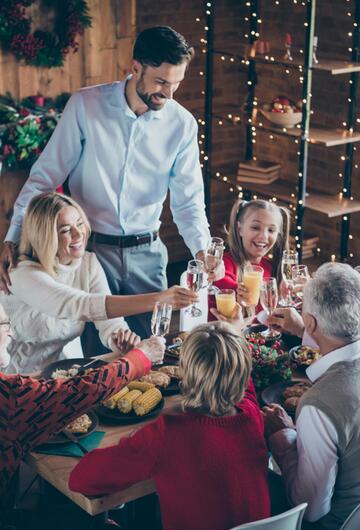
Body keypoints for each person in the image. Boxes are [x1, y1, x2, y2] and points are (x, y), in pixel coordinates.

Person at [0, 26, 215, 338]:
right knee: (97, 356)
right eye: (161, 82)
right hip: (89, 253)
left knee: (150, 348)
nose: (169, 94)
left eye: (176, 84)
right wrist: (13, 236)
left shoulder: (181, 125)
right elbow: (45, 177)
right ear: (135, 68)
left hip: (148, 254)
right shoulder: (85, 106)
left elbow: (189, 204)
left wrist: (202, 250)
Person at [69, 321, 270, 530]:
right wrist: (233, 335)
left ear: (185, 373)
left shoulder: (167, 434)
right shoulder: (252, 414)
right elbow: (244, 386)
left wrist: (137, 439)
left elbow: (80, 479)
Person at [0, 300, 164, 519]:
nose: (10, 333)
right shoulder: (9, 395)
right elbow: (77, 392)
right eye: (4, 325)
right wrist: (139, 358)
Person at [0, 192, 197, 374]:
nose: (78, 235)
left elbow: (110, 324)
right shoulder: (20, 272)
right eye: (65, 230)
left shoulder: (88, 263)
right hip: (10, 375)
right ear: (44, 237)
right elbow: (79, 304)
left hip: (57, 374)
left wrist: (119, 340)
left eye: (79, 223)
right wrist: (159, 299)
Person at [263, 262, 360, 529]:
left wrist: (283, 437)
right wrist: (304, 330)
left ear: (310, 322)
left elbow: (310, 509)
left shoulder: (318, 405)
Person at [209, 199, 290, 319]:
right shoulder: (223, 265)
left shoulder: (272, 267)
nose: (264, 236)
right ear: (239, 229)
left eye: (271, 230)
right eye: (256, 227)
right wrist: (240, 291)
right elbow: (222, 283)